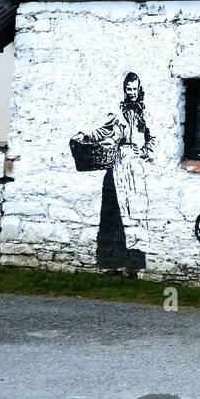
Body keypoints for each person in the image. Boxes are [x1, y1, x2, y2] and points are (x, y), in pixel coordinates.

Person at [73, 72, 154, 271]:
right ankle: (111, 261)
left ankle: (135, 262)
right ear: (124, 90)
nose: (132, 93)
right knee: (113, 211)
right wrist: (87, 136)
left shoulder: (145, 114)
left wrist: (143, 150)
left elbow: (154, 138)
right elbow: (103, 131)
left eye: (135, 89)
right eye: (128, 89)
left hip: (135, 167)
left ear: (139, 89)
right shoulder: (118, 113)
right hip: (117, 163)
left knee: (134, 211)